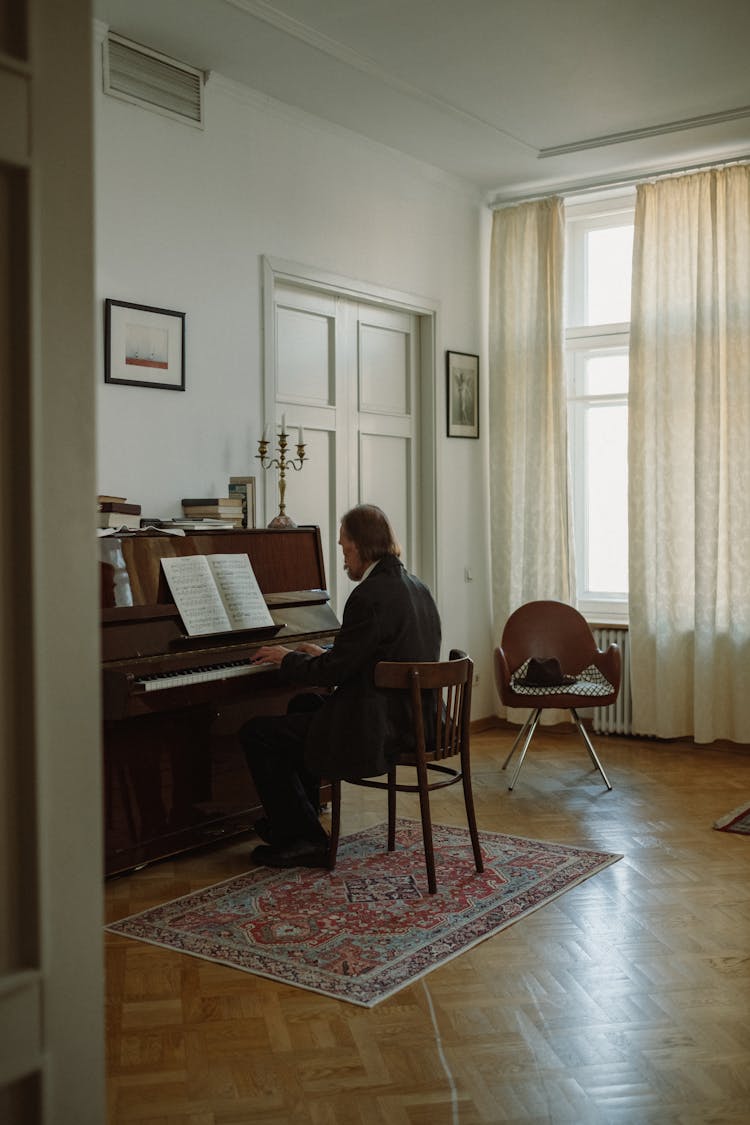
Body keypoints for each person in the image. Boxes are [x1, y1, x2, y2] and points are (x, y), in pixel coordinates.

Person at [240, 503, 442, 869]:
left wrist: (287, 657)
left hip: (379, 729)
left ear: (363, 547)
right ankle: (296, 821)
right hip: (414, 720)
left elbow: (334, 672)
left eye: (344, 548)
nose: (343, 557)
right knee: (303, 706)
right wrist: (328, 651)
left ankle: (304, 839)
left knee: (257, 733)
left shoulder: (368, 596)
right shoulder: (416, 587)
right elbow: (373, 653)